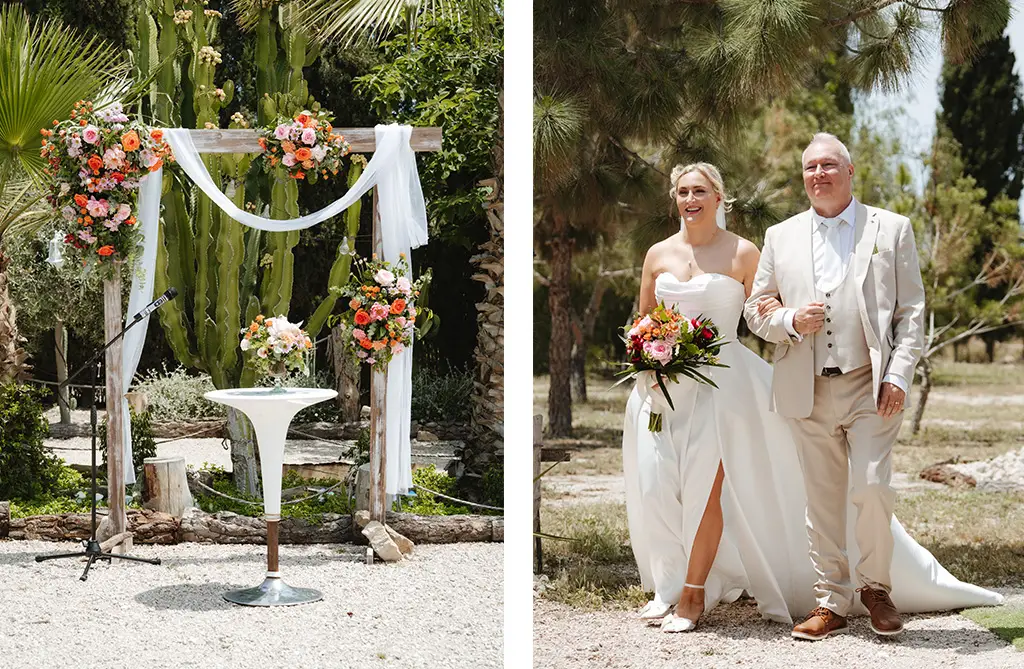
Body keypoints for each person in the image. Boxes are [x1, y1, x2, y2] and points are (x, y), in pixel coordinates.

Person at [622, 157, 1003, 637]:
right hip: (666, 388)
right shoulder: (663, 253)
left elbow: (771, 308)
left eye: (700, 191)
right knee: (659, 487)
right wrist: (648, 357)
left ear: (720, 198)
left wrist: (813, 330)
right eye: (683, 192)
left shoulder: (746, 252)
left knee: (720, 489)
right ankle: (672, 585)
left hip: (729, 388)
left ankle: (706, 593)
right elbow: (653, 317)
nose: (691, 200)